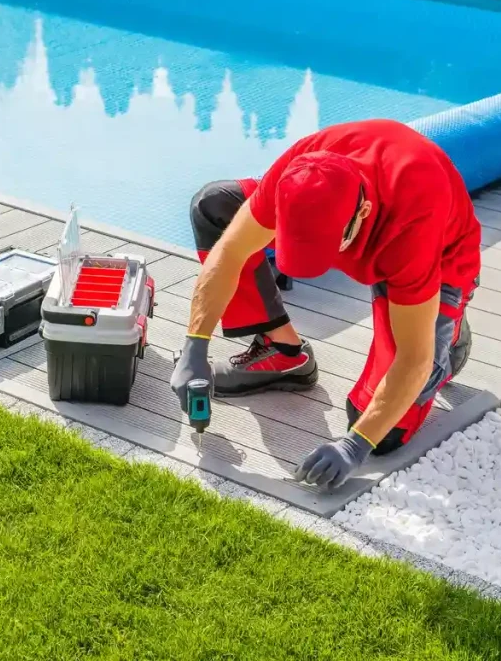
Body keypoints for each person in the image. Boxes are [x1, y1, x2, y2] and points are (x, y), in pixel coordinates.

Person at [170, 118, 481, 491]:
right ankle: (283, 353)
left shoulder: (412, 225)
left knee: (383, 431)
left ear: (361, 215)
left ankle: (449, 335)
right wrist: (195, 344)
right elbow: (231, 252)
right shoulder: (297, 172)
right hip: (371, 222)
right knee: (215, 206)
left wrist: (354, 446)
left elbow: (412, 359)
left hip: (439, 261)